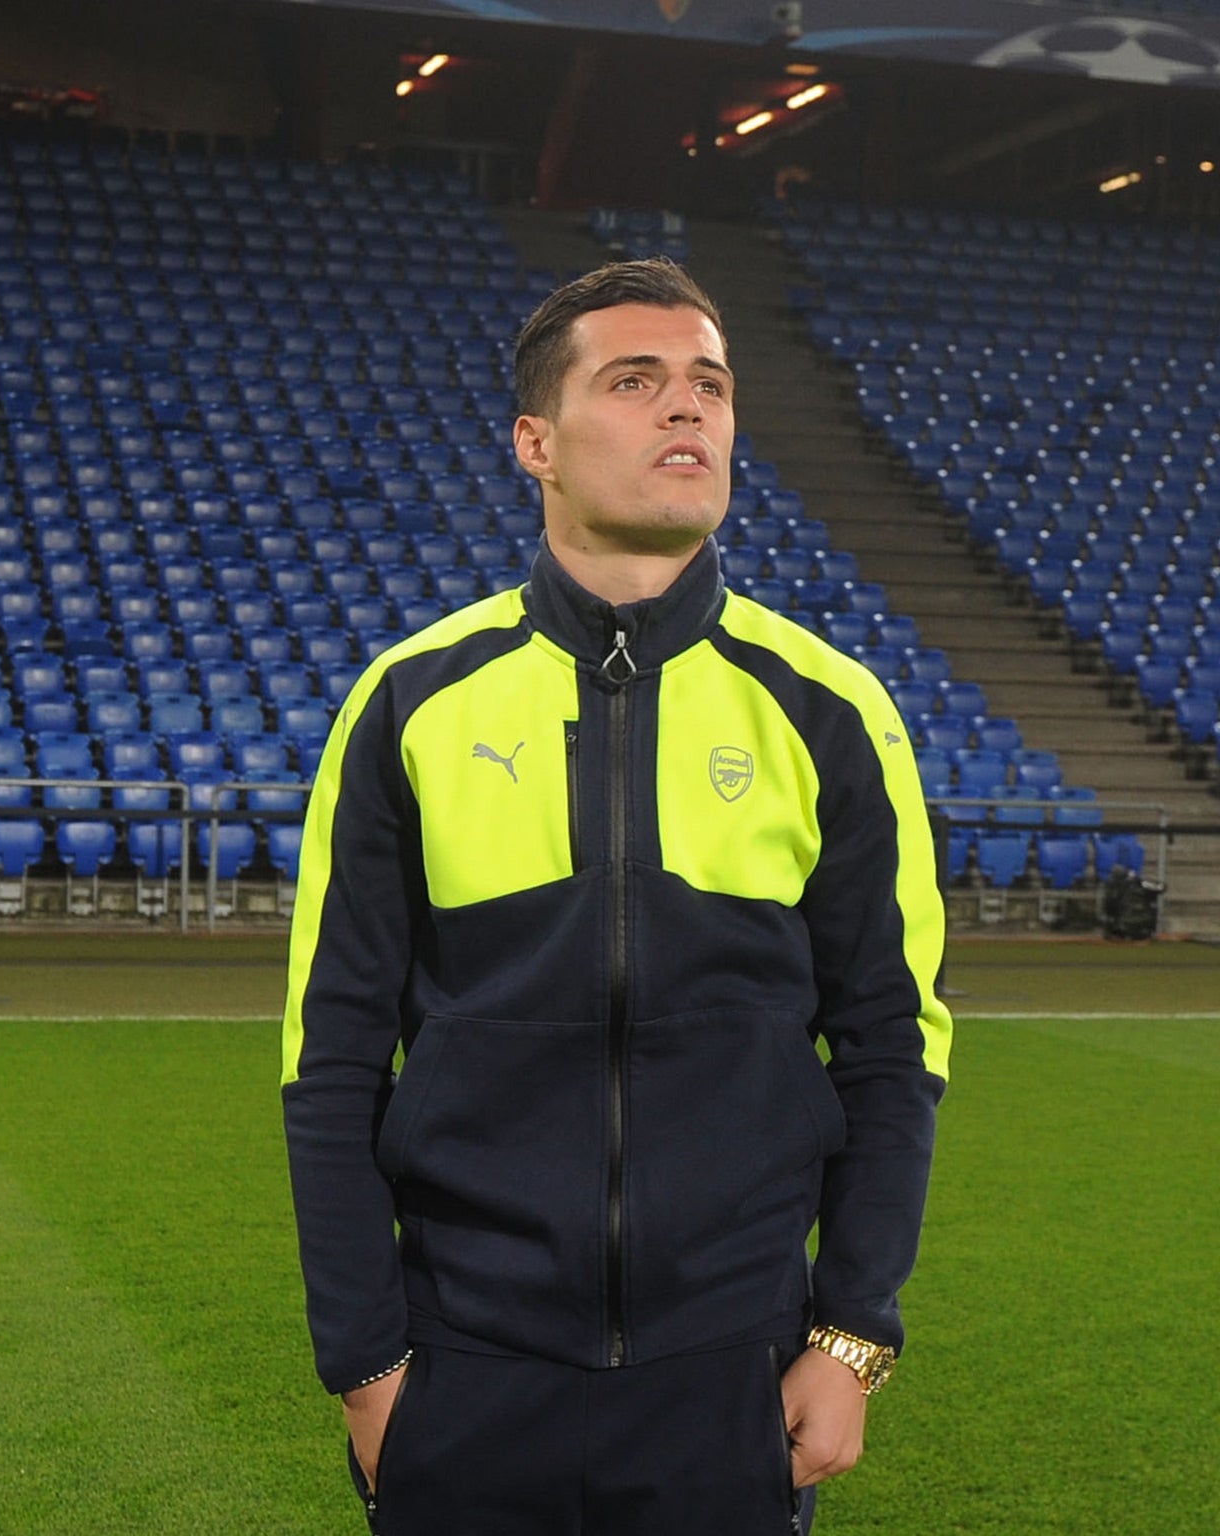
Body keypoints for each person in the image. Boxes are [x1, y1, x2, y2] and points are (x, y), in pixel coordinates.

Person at [281, 257, 950, 1535]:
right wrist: (366, 1370)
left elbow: (889, 1049)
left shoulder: (830, 709)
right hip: (463, 1367)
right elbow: (330, 1065)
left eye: (706, 385)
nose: (684, 409)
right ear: (534, 440)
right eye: (634, 382)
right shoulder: (410, 703)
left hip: (734, 1373)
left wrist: (851, 1336)